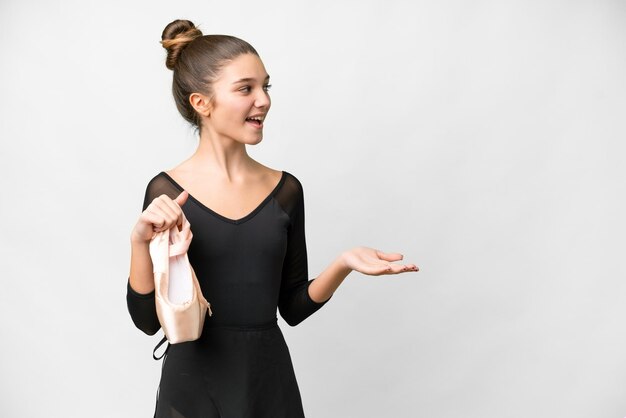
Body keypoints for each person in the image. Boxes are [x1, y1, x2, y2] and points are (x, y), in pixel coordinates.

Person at [126, 18, 419, 418]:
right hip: (192, 391)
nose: (262, 99)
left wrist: (344, 264)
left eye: (265, 86)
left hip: (269, 383)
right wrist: (138, 242)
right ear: (202, 103)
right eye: (245, 88)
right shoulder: (167, 192)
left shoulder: (286, 191)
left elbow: (293, 308)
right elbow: (147, 321)